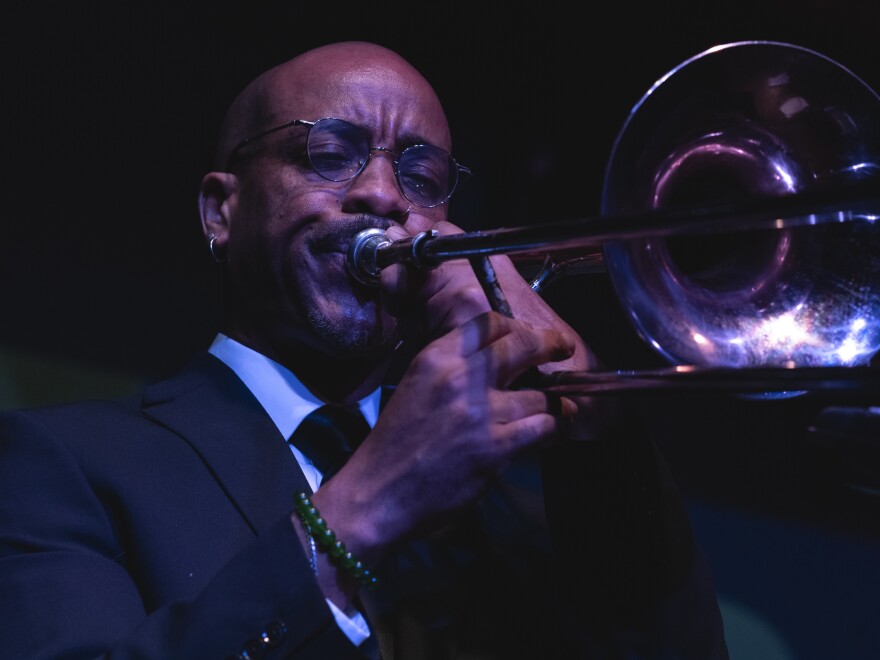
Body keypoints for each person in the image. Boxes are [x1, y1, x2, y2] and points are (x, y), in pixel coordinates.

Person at [0, 41, 728, 659]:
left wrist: (586, 408)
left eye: (420, 175)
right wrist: (368, 505)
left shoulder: (504, 526)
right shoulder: (63, 464)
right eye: (330, 152)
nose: (384, 195)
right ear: (223, 211)